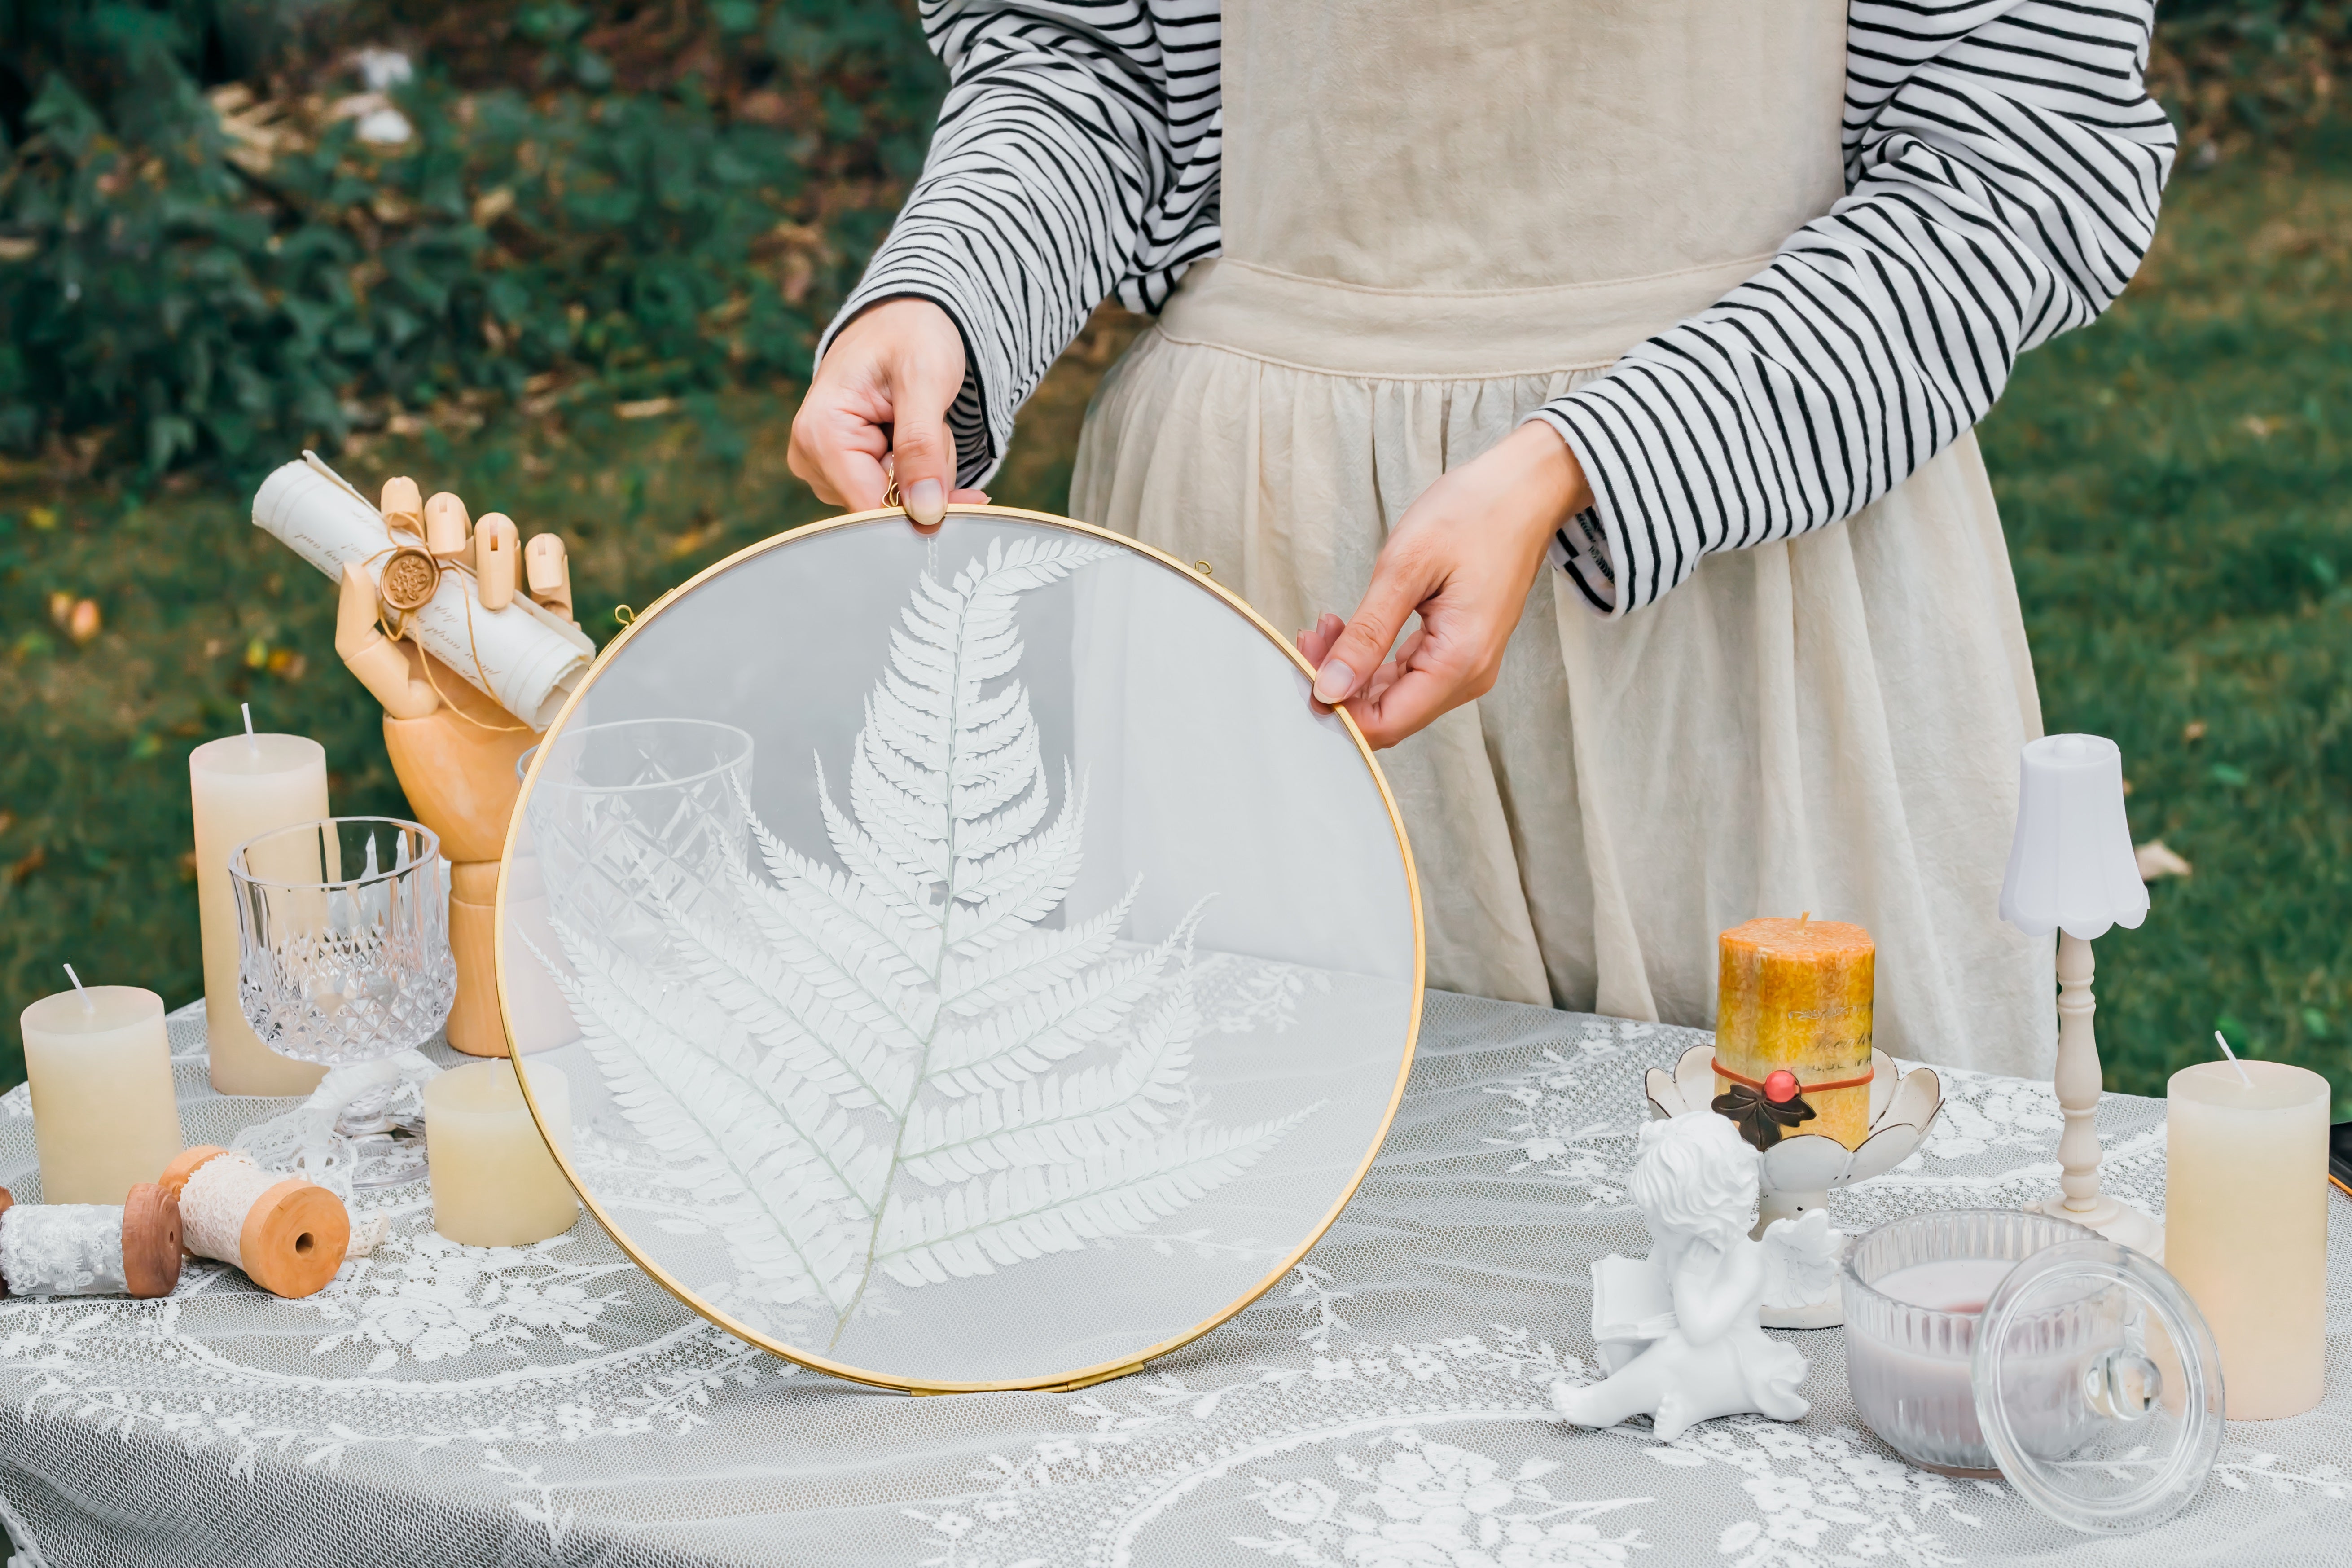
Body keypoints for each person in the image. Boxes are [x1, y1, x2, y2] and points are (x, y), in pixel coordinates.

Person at [786, 0, 2176, 1077]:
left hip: (1755, 581)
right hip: (1270, 577)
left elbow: (2017, 160)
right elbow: (1091, 70)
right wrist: (948, 293)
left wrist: (1589, 461)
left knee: (1807, 1247)